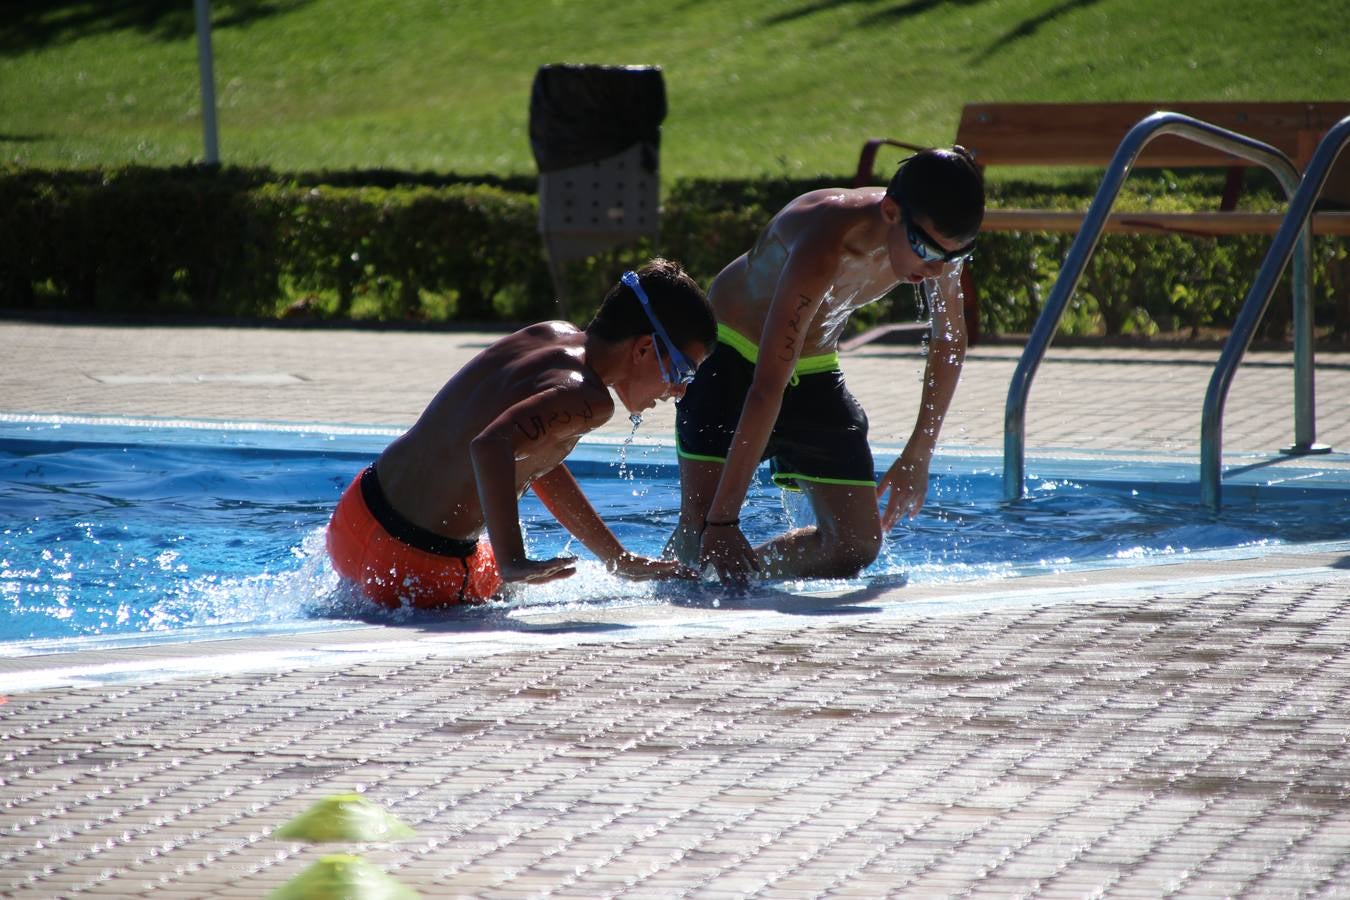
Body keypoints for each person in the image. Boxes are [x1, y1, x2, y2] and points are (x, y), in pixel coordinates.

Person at [666, 147, 985, 587]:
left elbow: (949, 339)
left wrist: (918, 452)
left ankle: (733, 575)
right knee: (700, 530)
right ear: (891, 211)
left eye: (954, 256)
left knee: (854, 545)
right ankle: (671, 582)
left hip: (812, 364)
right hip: (734, 357)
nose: (935, 268)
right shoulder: (825, 240)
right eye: (926, 250)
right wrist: (722, 522)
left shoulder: (935, 242)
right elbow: (766, 386)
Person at [328, 258, 717, 608]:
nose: (679, 391)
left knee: (502, 579)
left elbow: (531, 459)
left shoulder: (552, 333)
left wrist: (618, 558)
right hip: (415, 564)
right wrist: (512, 558)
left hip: (356, 514)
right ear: (645, 349)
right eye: (683, 373)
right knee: (511, 598)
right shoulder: (588, 399)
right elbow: (492, 446)